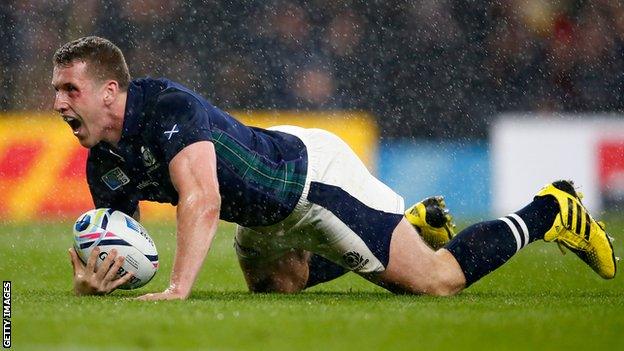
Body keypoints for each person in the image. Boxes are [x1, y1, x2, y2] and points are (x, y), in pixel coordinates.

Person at [53, 36, 616, 301]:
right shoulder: (103, 160)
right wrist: (94, 281)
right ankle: (408, 227)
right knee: (281, 288)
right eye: (56, 91)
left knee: (436, 282)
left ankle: (551, 209)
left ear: (109, 91)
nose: (58, 103)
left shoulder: (167, 107)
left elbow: (203, 200)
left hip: (313, 181)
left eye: (69, 89)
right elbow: (118, 237)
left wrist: (179, 289)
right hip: (266, 216)